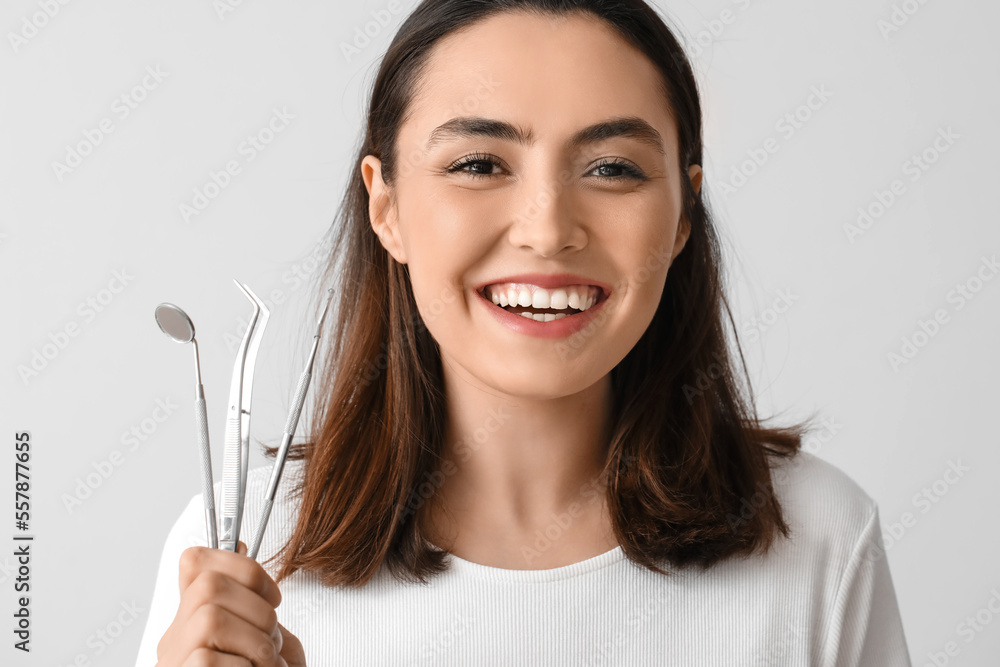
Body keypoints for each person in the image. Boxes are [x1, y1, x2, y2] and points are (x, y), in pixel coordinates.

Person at [135, 1, 912, 665]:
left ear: (682, 213)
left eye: (612, 168)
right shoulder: (238, 555)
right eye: (478, 163)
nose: (547, 230)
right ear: (387, 207)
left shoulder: (820, 537)